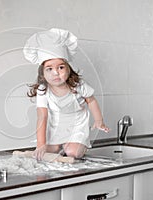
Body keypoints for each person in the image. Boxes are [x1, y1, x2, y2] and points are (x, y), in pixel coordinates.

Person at [23, 28, 109, 160]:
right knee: (46, 151)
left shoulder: (78, 85)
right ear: (42, 73)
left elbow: (90, 100)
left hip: (76, 126)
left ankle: (75, 145)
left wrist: (99, 121)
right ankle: (57, 146)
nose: (56, 73)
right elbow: (42, 117)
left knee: (73, 153)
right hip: (55, 126)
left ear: (69, 69)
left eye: (61, 67)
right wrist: (41, 144)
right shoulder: (42, 90)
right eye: (49, 69)